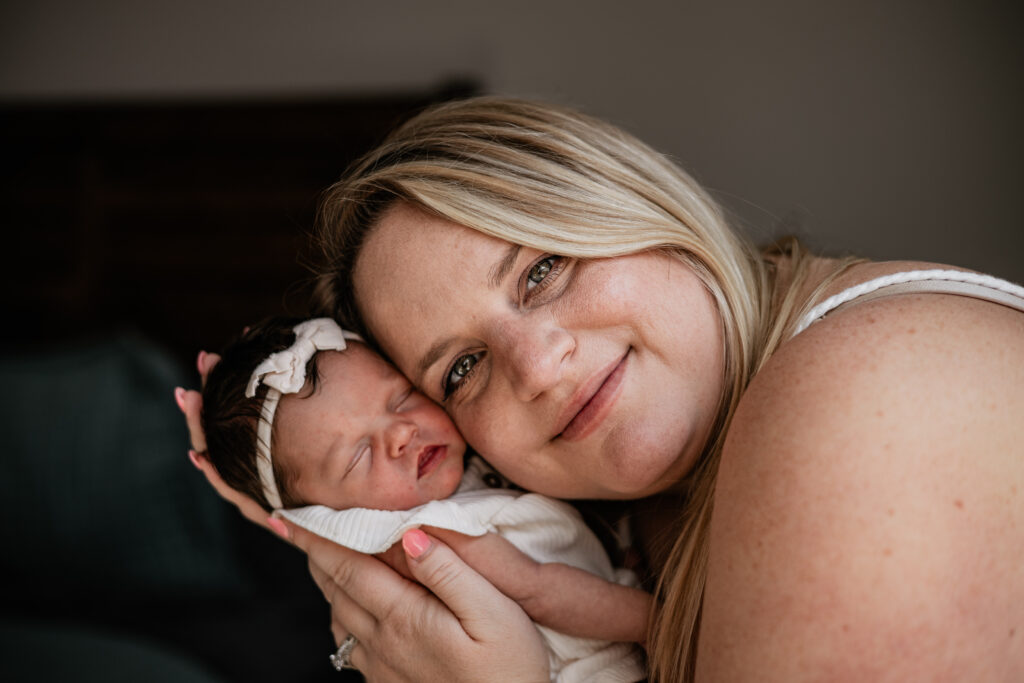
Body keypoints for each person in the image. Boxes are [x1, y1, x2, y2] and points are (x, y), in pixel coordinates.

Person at [181, 96, 1024, 681]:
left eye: (543, 269)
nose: (541, 367)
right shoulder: (629, 510)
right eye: (462, 369)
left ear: (627, 195)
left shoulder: (864, 396)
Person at [184, 316, 648, 682]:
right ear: (324, 517)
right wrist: (658, 622)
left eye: (401, 398)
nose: (402, 434)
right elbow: (539, 589)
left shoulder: (467, 469)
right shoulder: (427, 537)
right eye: (359, 456)